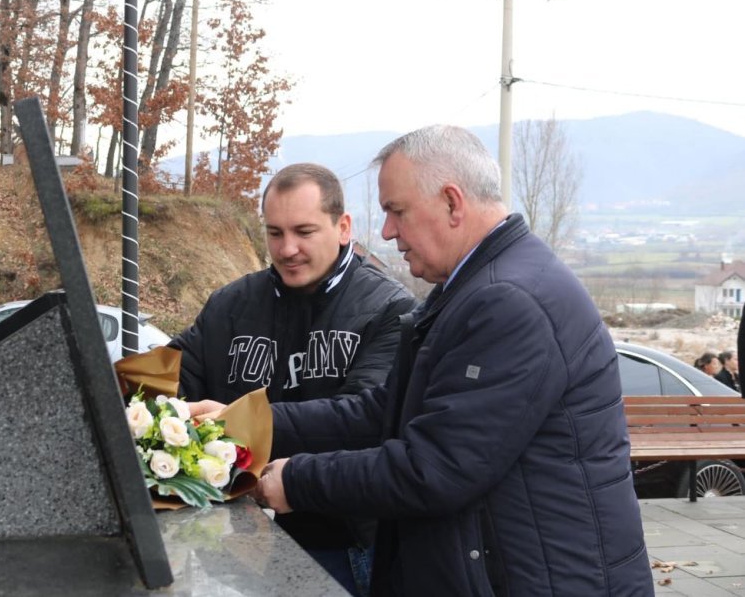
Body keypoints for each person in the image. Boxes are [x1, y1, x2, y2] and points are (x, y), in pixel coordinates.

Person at [196, 125, 654, 595]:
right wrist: (244, 424)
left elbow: (435, 468)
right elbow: (380, 412)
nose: (389, 231)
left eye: (396, 211)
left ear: (453, 203)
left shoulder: (510, 301)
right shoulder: (473, 288)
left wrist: (296, 481)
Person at [168, 162, 416, 596]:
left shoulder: (389, 310)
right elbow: (169, 377)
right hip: (230, 536)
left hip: (341, 543)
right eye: (275, 233)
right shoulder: (229, 306)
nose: (287, 249)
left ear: (342, 227)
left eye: (304, 231)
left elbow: (363, 418)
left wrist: (240, 421)